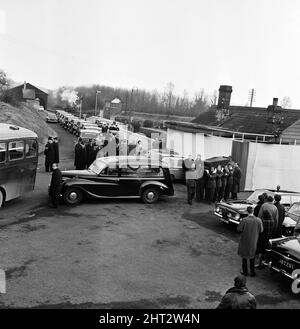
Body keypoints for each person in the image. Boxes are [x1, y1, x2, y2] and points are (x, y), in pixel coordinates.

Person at [237, 206, 263, 276]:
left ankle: (245, 272)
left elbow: (239, 229)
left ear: (247, 212)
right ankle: (252, 272)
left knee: (244, 257)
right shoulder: (258, 220)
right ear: (253, 211)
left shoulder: (244, 220)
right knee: (252, 257)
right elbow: (261, 230)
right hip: (254, 240)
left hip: (245, 240)